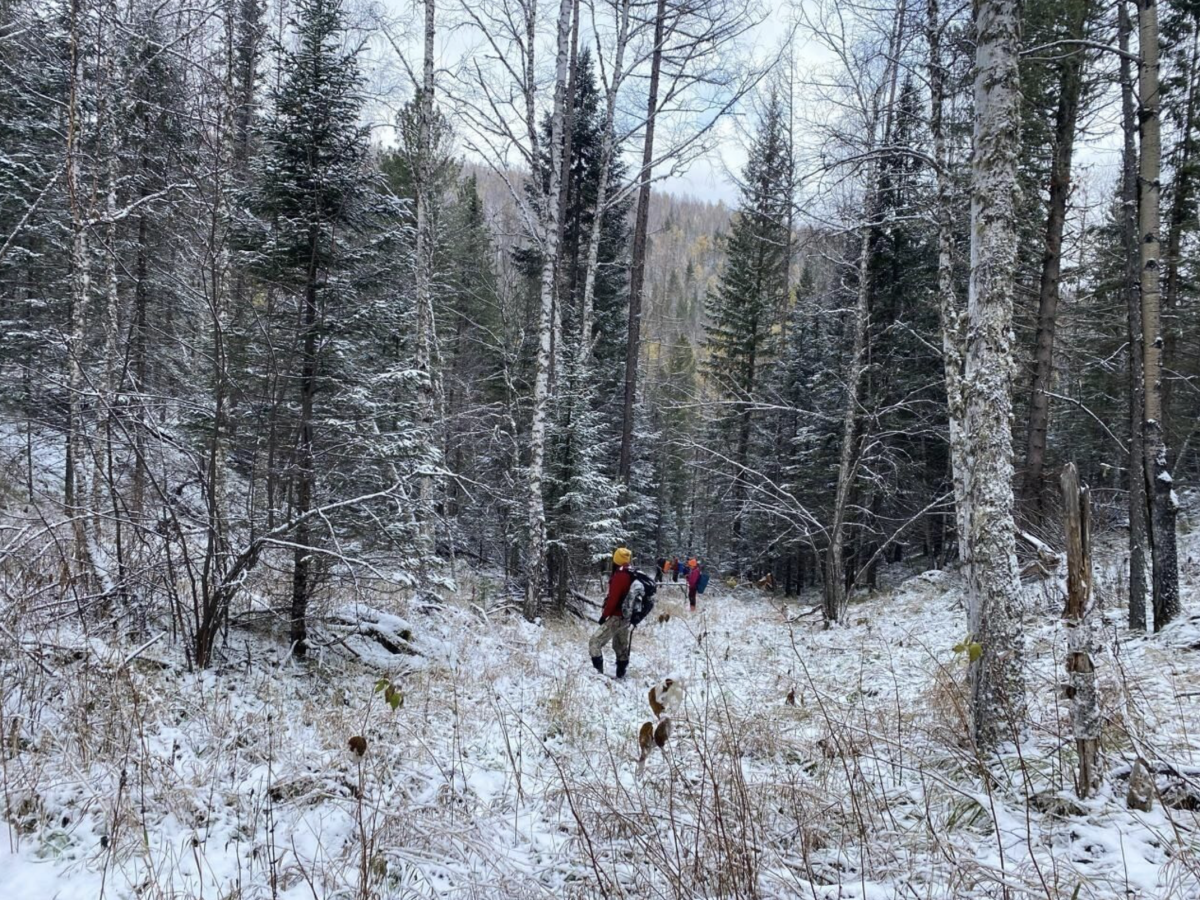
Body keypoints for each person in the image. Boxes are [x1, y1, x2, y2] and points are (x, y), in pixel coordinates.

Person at [590, 547, 636, 678]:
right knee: (620, 646)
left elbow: (613, 599)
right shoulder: (631, 573)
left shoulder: (620, 576)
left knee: (594, 642)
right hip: (627, 617)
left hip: (617, 616)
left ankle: (598, 675)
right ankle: (621, 674)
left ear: (616, 560)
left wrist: (604, 616)